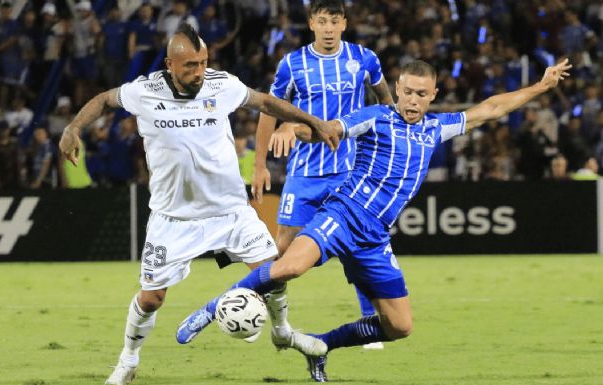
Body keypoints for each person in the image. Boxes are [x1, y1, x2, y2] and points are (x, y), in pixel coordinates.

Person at [181, 58, 572, 382]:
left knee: (399, 326)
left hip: (374, 238)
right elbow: (332, 130)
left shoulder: (436, 129)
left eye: (422, 94)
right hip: (343, 214)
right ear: (397, 89)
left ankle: (319, 345)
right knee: (289, 267)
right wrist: (298, 129)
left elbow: (492, 108)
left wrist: (541, 86)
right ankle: (214, 308)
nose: (413, 100)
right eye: (408, 92)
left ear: (432, 95)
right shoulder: (377, 117)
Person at [58, 23, 338, 385]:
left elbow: (266, 102)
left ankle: (282, 331)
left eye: (203, 62)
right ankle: (128, 360)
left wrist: (314, 121)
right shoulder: (144, 92)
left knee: (273, 272)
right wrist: (73, 127)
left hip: (230, 211)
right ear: (170, 65)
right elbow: (105, 100)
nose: (199, 72)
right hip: (173, 218)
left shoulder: (221, 85)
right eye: (190, 65)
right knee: (151, 298)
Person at [251, 0, 394, 350]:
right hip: (304, 172)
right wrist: (259, 164)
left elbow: (386, 103)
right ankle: (266, 317)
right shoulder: (292, 64)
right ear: (311, 24)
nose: (328, 28)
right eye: (321, 21)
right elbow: (268, 111)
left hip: (350, 171)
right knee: (282, 247)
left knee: (358, 244)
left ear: (344, 23)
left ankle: (368, 321)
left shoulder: (364, 59)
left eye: (334, 21)